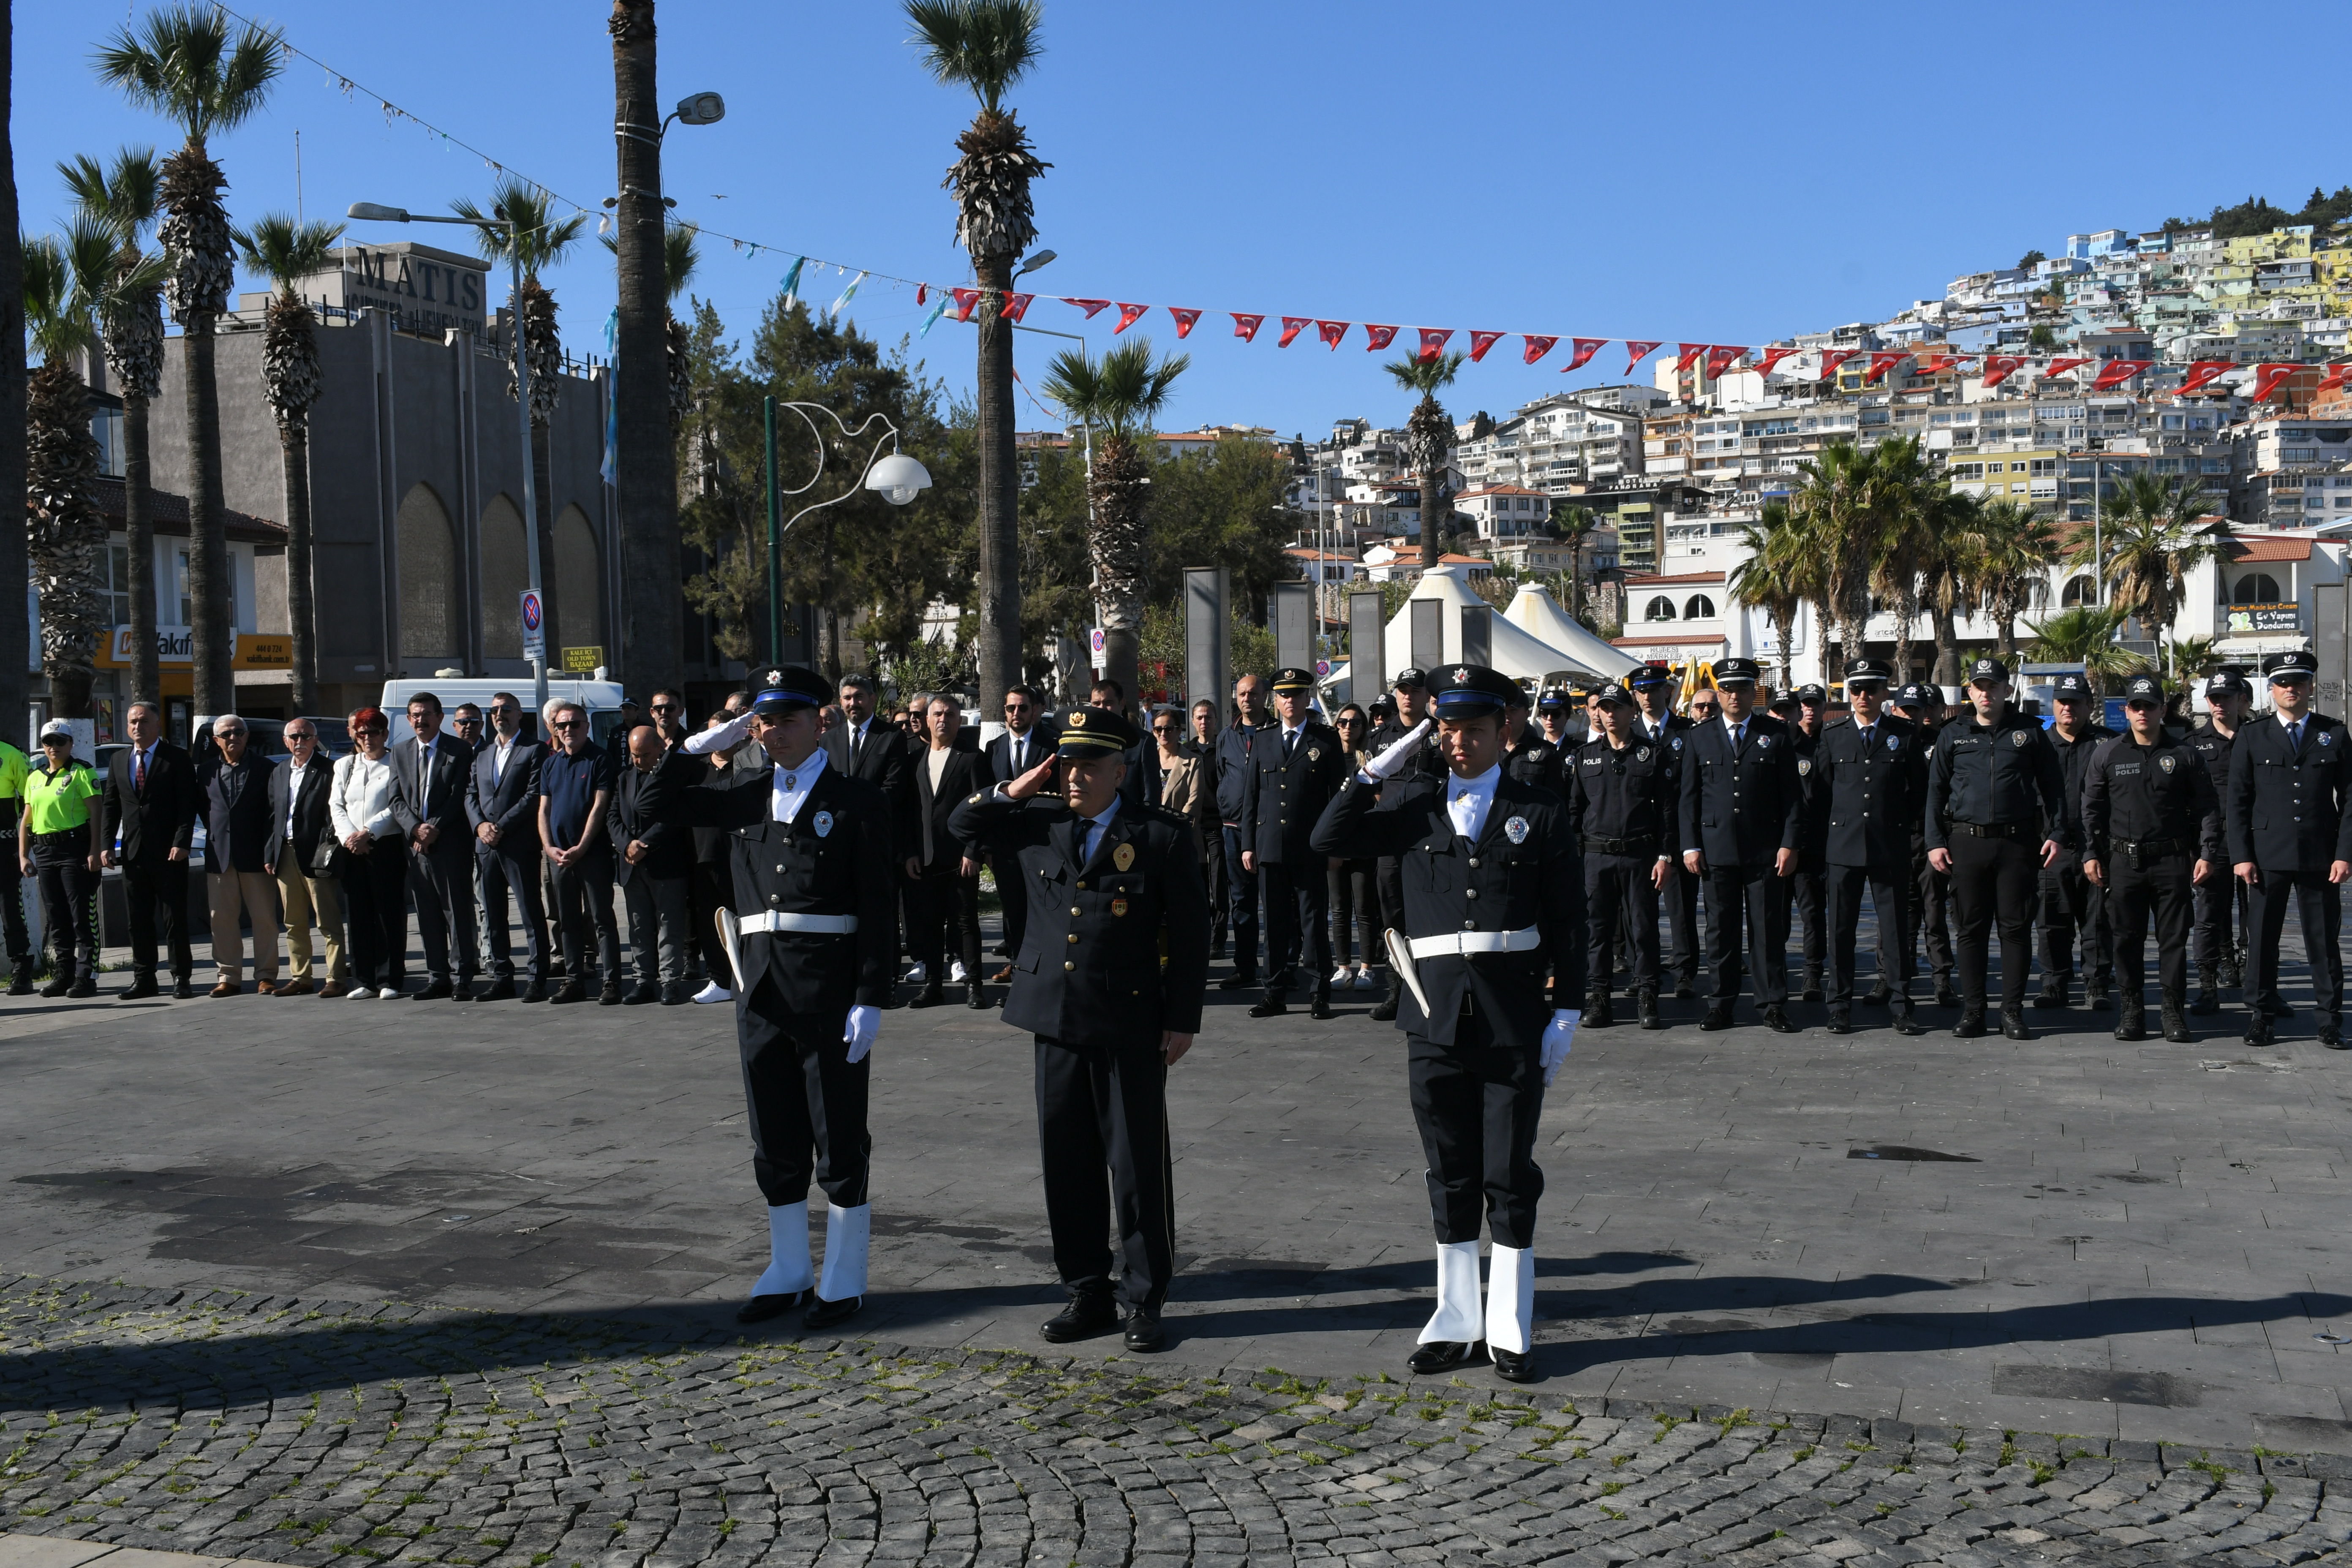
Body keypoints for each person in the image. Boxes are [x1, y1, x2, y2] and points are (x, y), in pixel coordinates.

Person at [1310, 664, 1582, 1384]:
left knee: (1508, 1175)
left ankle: (1510, 1327)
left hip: (1511, 1017)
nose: (1460, 742)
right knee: (1450, 1173)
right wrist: (1384, 761)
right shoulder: (1415, 804)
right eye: (1448, 729)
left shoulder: (1539, 810)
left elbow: (1568, 919)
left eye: (1474, 729)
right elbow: (1327, 836)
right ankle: (1456, 1322)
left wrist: (1568, 1009)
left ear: (1503, 731)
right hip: (1432, 1020)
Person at [950, 704, 1211, 1352]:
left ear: (1119, 770)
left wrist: (1183, 1018)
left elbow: (1190, 933)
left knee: (1137, 1165)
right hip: (1055, 1017)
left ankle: (1144, 1297)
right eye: (1067, 763)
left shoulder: (1159, 834)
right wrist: (1014, 788)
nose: (1074, 775)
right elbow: (960, 822)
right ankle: (1087, 1290)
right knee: (1067, 1164)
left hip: (1128, 1019)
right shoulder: (1035, 822)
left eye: (1089, 765)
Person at [658, 666, 896, 1329]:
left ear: (821, 722)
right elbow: (655, 806)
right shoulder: (743, 794)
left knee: (838, 1137)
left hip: (828, 990)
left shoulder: (856, 800)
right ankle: (789, 1269)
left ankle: (843, 1278)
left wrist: (871, 996)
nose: (776, 732)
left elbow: (879, 905)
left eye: (790, 719)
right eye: (764, 721)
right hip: (759, 989)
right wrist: (700, 747)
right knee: (775, 1138)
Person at [1925, 657, 2069, 1040]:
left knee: (2015, 930)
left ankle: (2012, 1012)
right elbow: (1935, 792)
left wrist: (2057, 833)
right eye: (1979, 687)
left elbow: (2054, 787)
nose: (1986, 693)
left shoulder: (2030, 731)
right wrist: (1935, 842)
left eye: (1993, 686)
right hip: (1966, 842)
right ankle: (1974, 1011)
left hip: (2017, 843)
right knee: (1970, 931)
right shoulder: (1953, 734)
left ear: (2007, 690)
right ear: (1970, 692)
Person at [2082, 674, 2221, 1044]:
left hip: (2171, 861)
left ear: (2162, 710)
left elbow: (2207, 808)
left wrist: (2208, 853)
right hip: (2123, 862)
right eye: (2136, 706)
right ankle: (2132, 1011)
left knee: (2173, 941)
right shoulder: (2108, 754)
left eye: (2150, 706)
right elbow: (2092, 810)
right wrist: (2091, 853)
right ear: (2127, 711)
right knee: (2126, 939)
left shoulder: (2185, 755)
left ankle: (2173, 1012)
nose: (2143, 712)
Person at [2226, 649, 2352, 1049]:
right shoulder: (2253, 734)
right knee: (2263, 940)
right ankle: (2261, 1017)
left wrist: (2345, 853)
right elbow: (2238, 801)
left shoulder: (2334, 733)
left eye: (2298, 681)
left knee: (2323, 941)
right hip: (2268, 855)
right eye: (2282, 683)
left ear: (2310, 687)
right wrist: (2242, 855)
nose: (2290, 689)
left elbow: (2350, 799)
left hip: (2320, 855)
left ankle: (2329, 1020)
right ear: (2272, 689)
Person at [1677, 657, 1804, 1033]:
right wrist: (1690, 846)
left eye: (1743, 689)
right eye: (1728, 689)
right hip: (1716, 850)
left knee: (1767, 931)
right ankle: (1721, 1004)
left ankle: (1772, 1005)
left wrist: (1790, 844)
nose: (1735, 696)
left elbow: (1792, 797)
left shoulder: (1775, 734)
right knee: (1720, 932)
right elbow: (1689, 798)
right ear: (1719, 694)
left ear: (1754, 693)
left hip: (1765, 850)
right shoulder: (1699, 736)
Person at [1805, 658, 1928, 1037]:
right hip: (1843, 847)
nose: (1863, 696)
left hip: (1889, 845)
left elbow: (1919, 793)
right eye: (1856, 690)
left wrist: (1906, 832)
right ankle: (1840, 1006)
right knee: (1841, 931)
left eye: (1871, 689)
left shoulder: (1903, 734)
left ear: (1884, 692)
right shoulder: (1833, 734)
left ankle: (1901, 1005)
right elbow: (1820, 794)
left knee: (1895, 931)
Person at [1565, 682, 1674, 1029]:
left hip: (1640, 855)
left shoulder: (1652, 754)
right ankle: (1599, 997)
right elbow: (1575, 811)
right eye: (1605, 708)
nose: (1610, 714)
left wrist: (1666, 856)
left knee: (1644, 929)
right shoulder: (1585, 756)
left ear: (1632, 712)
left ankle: (1648, 994)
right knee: (1597, 931)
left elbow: (1667, 811)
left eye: (1617, 708)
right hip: (1597, 858)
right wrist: (1575, 859)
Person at [1241, 667, 1347, 1019]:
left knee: (1313, 922)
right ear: (1275, 700)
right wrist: (1248, 844)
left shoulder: (1325, 740)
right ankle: (1273, 993)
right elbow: (1251, 796)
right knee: (1273, 924)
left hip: (1310, 848)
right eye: (1284, 695)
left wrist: (1335, 846)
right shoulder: (1264, 738)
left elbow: (1338, 800)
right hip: (1270, 845)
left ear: (1307, 699)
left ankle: (1319, 992)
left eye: (1297, 694)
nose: (1290, 701)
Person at [101, 700, 200, 998]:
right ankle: (144, 978)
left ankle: (181, 977)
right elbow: (111, 806)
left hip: (169, 853)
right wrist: (106, 845)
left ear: (157, 724)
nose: (138, 727)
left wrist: (182, 842)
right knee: (138, 920)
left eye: (144, 721)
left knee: (174, 919)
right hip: (133, 854)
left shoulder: (176, 758)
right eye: (133, 722)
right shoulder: (119, 759)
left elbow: (187, 805)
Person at [825, 672, 915, 986]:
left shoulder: (891, 737)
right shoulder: (828, 740)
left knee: (881, 913)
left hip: (876, 840)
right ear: (840, 702)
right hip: (837, 843)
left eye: (859, 697)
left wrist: (853, 811)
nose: (854, 703)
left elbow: (894, 788)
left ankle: (886, 981)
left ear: (873, 699)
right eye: (848, 698)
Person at [1365, 669, 1445, 1020]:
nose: (1408, 696)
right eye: (1402, 690)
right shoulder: (1380, 737)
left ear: (1426, 695)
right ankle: (1398, 991)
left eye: (1414, 690)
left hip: (1430, 839)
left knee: (1431, 914)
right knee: (1392, 917)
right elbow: (1373, 788)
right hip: (1392, 841)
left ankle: (1434, 989)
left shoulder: (1441, 732)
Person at [389, 693, 479, 1000]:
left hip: (450, 842)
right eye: (415, 715)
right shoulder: (400, 751)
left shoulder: (459, 750)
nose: (421, 720)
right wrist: (415, 828)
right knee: (427, 913)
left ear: (440, 718)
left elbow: (459, 794)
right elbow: (395, 798)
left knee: (457, 910)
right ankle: (437, 976)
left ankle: (462, 977)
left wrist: (433, 828)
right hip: (416, 847)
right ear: (408, 719)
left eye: (427, 714)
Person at [905, 694, 991, 1009]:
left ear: (959, 720)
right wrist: (910, 852)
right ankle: (933, 986)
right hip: (926, 858)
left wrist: (974, 851)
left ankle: (975, 986)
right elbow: (909, 812)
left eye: (951, 714)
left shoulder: (972, 758)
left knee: (966, 923)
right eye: (938, 714)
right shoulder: (915, 760)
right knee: (929, 924)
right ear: (927, 720)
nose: (944, 720)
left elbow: (984, 810)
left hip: (961, 859)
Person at [2036, 672, 2115, 1011]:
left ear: (2089, 705)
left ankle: (2097, 985)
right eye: (2062, 702)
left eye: (2075, 702)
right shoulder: (2038, 744)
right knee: (2051, 921)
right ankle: (2054, 984)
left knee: (2097, 921)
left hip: (2096, 850)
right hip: (2050, 850)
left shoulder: (2108, 744)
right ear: (2054, 704)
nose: (2067, 708)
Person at [467, 691, 550, 1002]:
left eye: (506, 709)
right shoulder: (483, 753)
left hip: (518, 844)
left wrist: (501, 826)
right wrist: (480, 826)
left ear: (519, 714)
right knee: (493, 915)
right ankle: (502, 977)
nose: (499, 715)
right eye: (494, 711)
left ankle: (537, 978)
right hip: (486, 846)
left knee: (530, 912)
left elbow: (533, 795)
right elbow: (470, 794)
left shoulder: (534, 749)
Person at [539, 701, 621, 1006]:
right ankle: (573, 980)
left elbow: (600, 806)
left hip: (593, 854)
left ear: (586, 727)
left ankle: (612, 981)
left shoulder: (600, 759)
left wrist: (582, 847)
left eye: (574, 724)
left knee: (602, 919)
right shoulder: (551, 764)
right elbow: (544, 809)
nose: (568, 730)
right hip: (559, 857)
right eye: (561, 725)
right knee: (568, 920)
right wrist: (549, 847)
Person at [610, 722, 697, 1006]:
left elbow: (674, 817)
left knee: (669, 924)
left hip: (666, 863)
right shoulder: (624, 778)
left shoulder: (671, 778)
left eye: (645, 755)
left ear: (660, 749)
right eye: (634, 755)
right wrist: (627, 844)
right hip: (632, 864)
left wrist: (644, 845)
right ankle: (643, 981)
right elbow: (613, 816)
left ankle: (670, 981)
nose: (639, 761)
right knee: (639, 926)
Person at [198, 714, 281, 997]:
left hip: (257, 856)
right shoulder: (206, 771)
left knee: (265, 919)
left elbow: (273, 813)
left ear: (247, 736)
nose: (233, 737)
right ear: (216, 740)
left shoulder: (267, 768)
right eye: (227, 734)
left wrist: (270, 852)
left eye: (239, 732)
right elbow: (205, 810)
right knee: (221, 919)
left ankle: (266, 975)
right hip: (220, 854)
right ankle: (228, 977)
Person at [1630, 665, 1700, 999]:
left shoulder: (1688, 731)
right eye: (1641, 691)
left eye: (1653, 690)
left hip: (1678, 831)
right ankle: (1642, 971)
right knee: (1638, 910)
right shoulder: (1629, 733)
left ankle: (1684, 973)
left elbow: (1693, 788)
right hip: (1640, 833)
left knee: (1681, 908)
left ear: (1667, 692)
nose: (1647, 696)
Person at [265, 717, 347, 997]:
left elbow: (333, 814)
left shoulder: (328, 770)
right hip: (285, 853)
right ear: (285, 741)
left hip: (316, 854)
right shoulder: (279, 771)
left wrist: (328, 848)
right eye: (294, 737)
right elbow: (274, 816)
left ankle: (336, 977)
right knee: (293, 921)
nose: (300, 742)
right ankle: (301, 977)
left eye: (306, 737)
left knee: (327, 920)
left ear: (315, 740)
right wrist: (270, 853)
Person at [2186, 668, 2251, 1014]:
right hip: (2214, 839)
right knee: (2211, 911)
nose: (2220, 704)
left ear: (2241, 700)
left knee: (2257, 912)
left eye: (2226, 697)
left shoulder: (2258, 736)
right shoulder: (2194, 743)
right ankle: (2209, 984)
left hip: (2256, 837)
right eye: (2214, 698)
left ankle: (2258, 978)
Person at [21, 723, 103, 997]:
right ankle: (64, 973)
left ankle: (86, 976)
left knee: (82, 916)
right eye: (48, 742)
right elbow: (27, 820)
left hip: (74, 850)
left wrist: (95, 850)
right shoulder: (35, 777)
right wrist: (23, 856)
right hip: (45, 852)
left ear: (71, 744)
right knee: (57, 916)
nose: (54, 747)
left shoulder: (81, 771)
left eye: (60, 741)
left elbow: (96, 813)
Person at [330, 708, 407, 999]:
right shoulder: (345, 765)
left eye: (373, 733)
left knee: (388, 913)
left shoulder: (396, 762)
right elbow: (336, 805)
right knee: (358, 914)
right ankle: (363, 979)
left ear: (385, 734)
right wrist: (350, 837)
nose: (367, 739)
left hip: (385, 845)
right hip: (352, 847)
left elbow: (397, 804)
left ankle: (390, 979)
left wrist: (368, 832)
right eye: (362, 734)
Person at [1890, 682, 1958, 1007]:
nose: (1916, 715)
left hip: (1931, 837)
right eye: (1908, 709)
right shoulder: (1889, 740)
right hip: (1897, 837)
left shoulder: (1942, 741)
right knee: (1897, 914)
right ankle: (1891, 978)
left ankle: (1942, 980)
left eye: (1925, 708)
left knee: (1934, 912)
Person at [984, 684, 1057, 983]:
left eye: (1023, 708)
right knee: (1012, 909)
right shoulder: (994, 748)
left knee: (1041, 908)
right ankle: (1016, 967)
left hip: (1041, 843)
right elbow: (988, 801)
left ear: (1035, 710)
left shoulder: (1051, 747)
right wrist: (987, 847)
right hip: (1005, 847)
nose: (1017, 713)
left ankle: (1039, 970)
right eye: (1011, 708)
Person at [1214, 672, 1276, 993]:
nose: (1247, 699)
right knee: (1242, 903)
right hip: (1233, 831)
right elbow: (1222, 775)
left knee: (1277, 903)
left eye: (1253, 693)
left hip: (1269, 831)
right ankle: (1245, 968)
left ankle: (1280, 969)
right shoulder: (1227, 736)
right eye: (1241, 694)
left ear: (1265, 696)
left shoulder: (1277, 732)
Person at [1323, 703, 1382, 991]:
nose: (1348, 727)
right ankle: (1343, 967)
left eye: (1355, 723)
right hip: (1335, 843)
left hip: (1363, 842)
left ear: (1363, 728)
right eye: (1343, 722)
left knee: (1365, 909)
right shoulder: (1328, 758)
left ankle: (1367, 968)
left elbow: (1380, 799)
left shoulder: (1369, 761)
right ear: (1336, 725)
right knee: (1339, 909)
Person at [1783, 683, 1832, 1001]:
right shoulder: (1781, 743)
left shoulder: (1831, 741)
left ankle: (1813, 973)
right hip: (1782, 844)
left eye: (1815, 703)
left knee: (1813, 914)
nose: (1810, 709)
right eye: (1805, 704)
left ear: (1825, 707)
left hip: (1815, 844)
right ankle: (1775, 969)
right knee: (1777, 915)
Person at [689, 710, 742, 1004]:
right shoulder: (696, 770)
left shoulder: (749, 766)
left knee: (743, 921)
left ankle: (744, 976)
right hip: (701, 856)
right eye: (714, 733)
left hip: (738, 857)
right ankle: (720, 980)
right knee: (709, 923)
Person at [1185, 698, 1227, 957]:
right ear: (1193, 721)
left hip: (1218, 825)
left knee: (1219, 885)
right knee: (1198, 885)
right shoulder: (1186, 752)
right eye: (1200, 718)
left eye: (1209, 717)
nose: (1204, 722)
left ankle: (1218, 939)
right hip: (1193, 827)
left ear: (1216, 721)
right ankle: (1201, 934)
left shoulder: (1223, 748)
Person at [0, 730, 30, 993]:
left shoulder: (11, 754)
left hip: (4, 845)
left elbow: (29, 801)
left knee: (10, 909)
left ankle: (22, 967)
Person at [1500, 686, 1567, 797]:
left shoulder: (1546, 753)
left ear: (1527, 714)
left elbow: (1555, 798)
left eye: (1513, 710)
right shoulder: (1486, 750)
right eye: (1503, 710)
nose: (1507, 715)